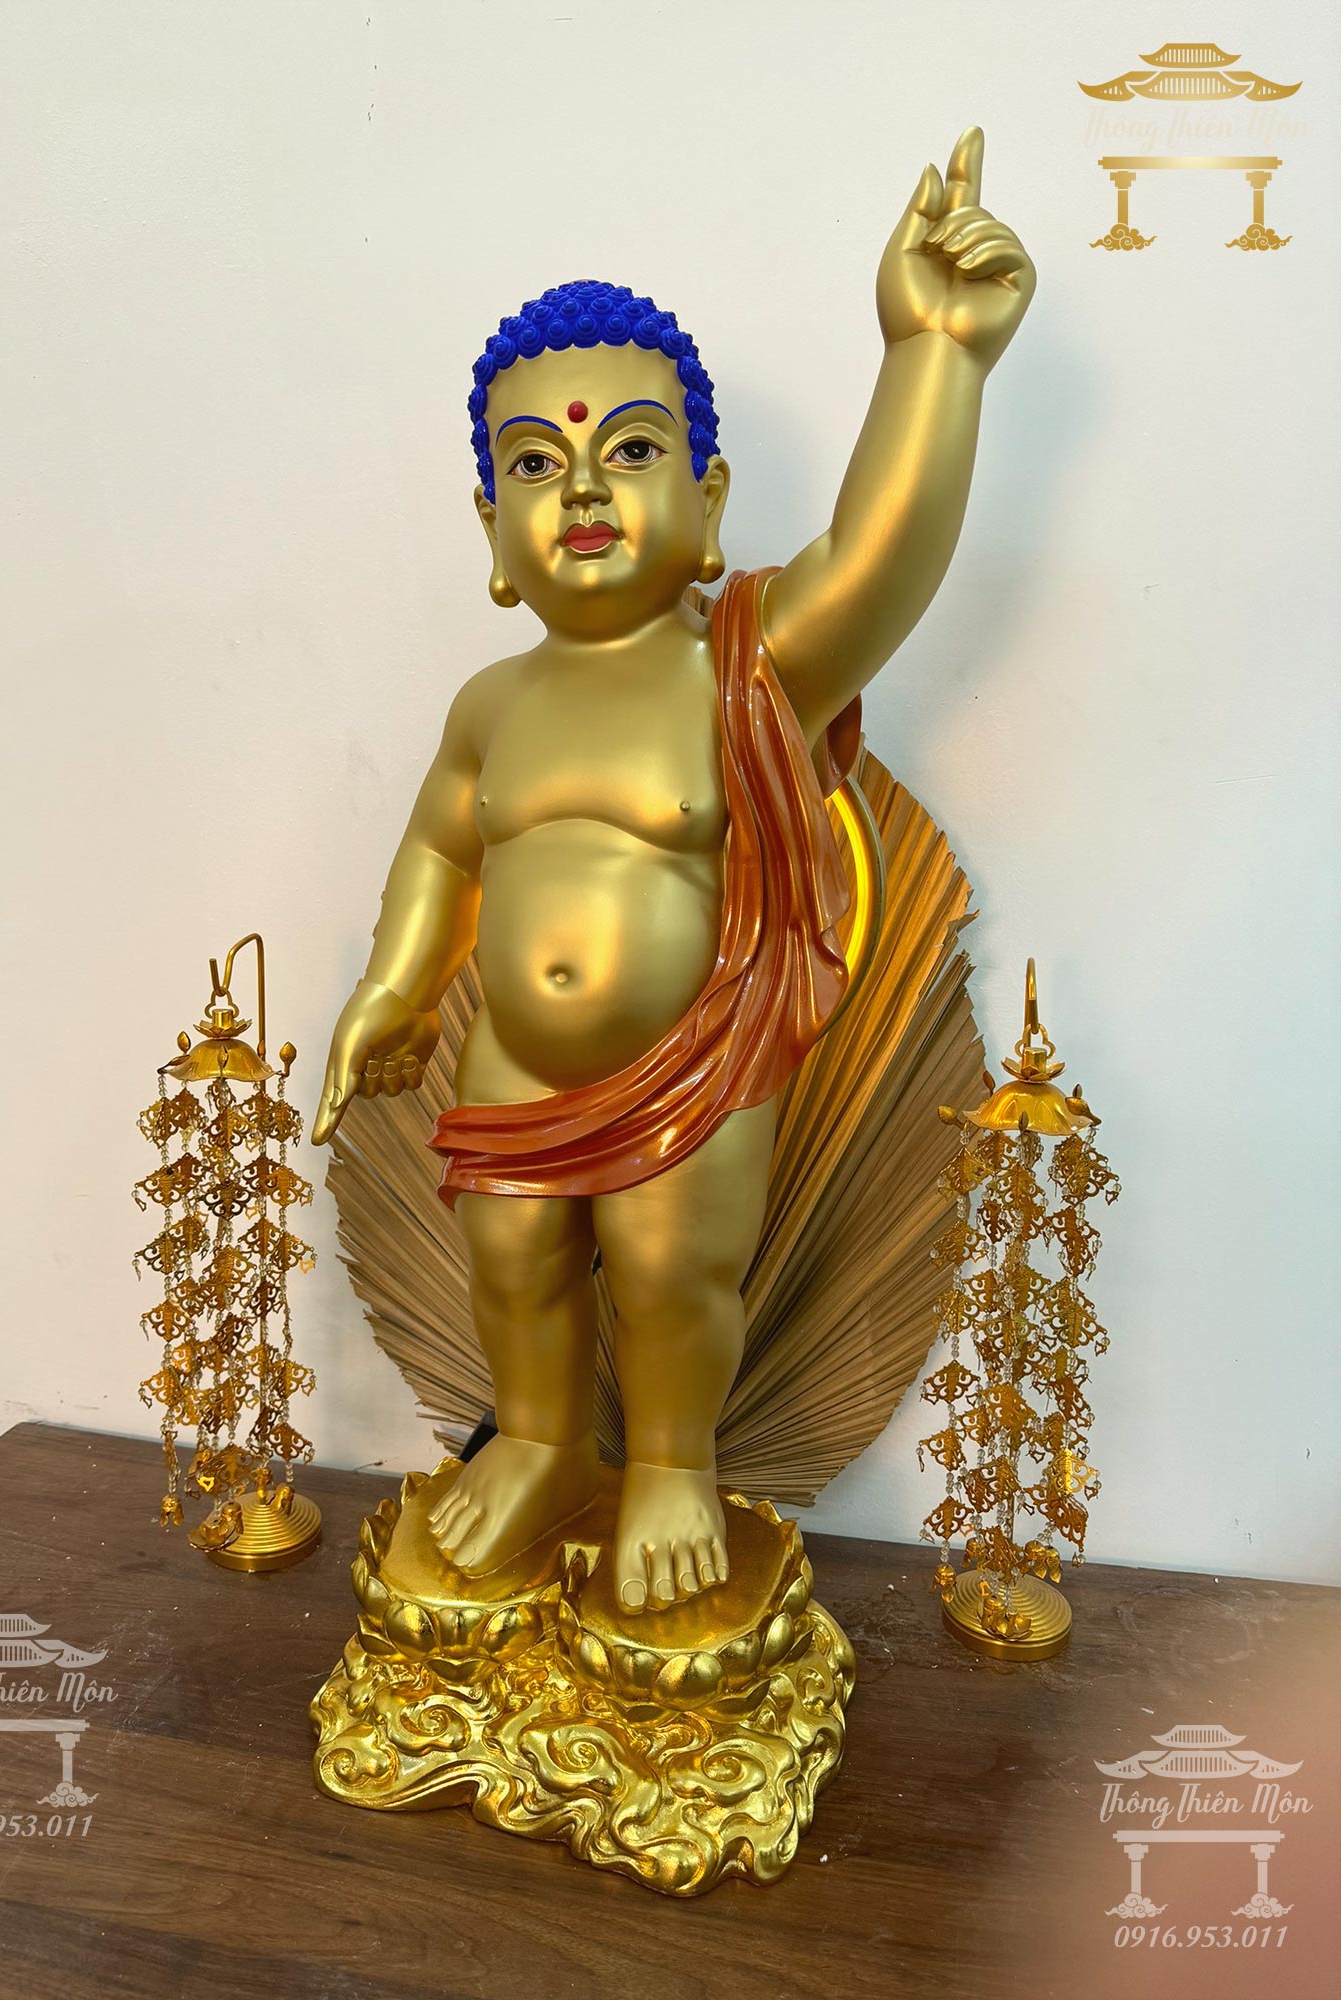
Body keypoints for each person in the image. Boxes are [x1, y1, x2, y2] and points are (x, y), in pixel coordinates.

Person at [313, 129, 1034, 1616]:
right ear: (493, 534)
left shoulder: (741, 664)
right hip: (512, 1066)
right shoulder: (491, 705)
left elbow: (882, 558)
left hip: (694, 1062)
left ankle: (669, 1467)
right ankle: (533, 1441)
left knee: (668, 1275)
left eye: (630, 450)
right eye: (535, 463)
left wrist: (935, 356)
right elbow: (442, 843)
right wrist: (394, 985)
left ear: (708, 504)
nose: (581, 487)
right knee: (512, 1266)